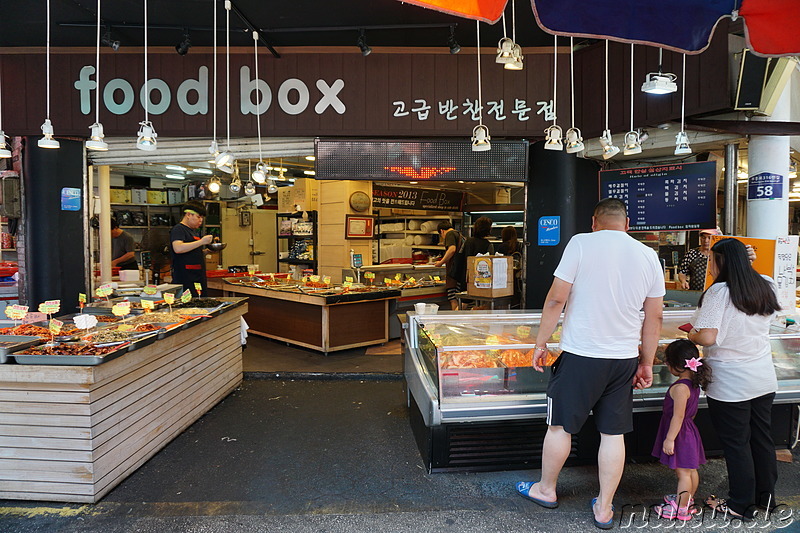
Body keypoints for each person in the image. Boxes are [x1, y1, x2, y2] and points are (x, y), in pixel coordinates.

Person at [516, 198, 664, 530]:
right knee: (613, 434)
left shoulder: (581, 243)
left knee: (560, 426)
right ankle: (605, 508)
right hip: (624, 358)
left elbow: (556, 298)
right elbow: (654, 316)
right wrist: (646, 363)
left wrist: (540, 342)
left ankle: (546, 489)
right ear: (627, 225)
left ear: (594, 222)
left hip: (581, 355)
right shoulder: (648, 255)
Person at [687, 238, 780, 520]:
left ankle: (740, 504)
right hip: (763, 377)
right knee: (762, 440)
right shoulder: (766, 283)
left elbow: (708, 336)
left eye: (712, 261)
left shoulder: (718, 292)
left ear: (721, 262)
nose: (711, 267)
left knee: (737, 443)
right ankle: (766, 501)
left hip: (730, 382)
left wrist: (691, 334)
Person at [652, 339, 712, 521]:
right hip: (689, 431)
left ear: (677, 365)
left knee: (683, 473)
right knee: (691, 471)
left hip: (680, 435)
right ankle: (686, 501)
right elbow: (689, 414)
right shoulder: (693, 384)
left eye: (668, 363)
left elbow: (677, 416)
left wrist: (669, 439)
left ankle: (680, 508)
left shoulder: (679, 388)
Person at [170, 201, 214, 296]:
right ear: (189, 215)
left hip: (197, 276)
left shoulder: (193, 232)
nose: (201, 220)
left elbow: (191, 252)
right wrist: (202, 242)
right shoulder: (179, 229)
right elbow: (178, 248)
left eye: (202, 218)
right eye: (199, 217)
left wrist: (207, 251)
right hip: (185, 278)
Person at [433, 221, 463, 311]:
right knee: (459, 299)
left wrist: (441, 262)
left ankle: (455, 321)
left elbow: (452, 249)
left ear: (442, 231)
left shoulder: (450, 234)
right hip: (460, 272)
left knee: (453, 299)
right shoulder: (459, 235)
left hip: (453, 273)